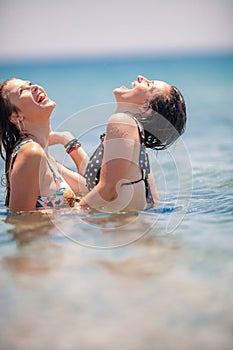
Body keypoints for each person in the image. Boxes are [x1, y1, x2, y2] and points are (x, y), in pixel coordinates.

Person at [77, 75, 186, 211]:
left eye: (148, 84)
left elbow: (109, 190)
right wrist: (67, 143)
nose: (140, 77)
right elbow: (154, 201)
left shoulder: (122, 121)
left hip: (121, 229)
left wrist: (73, 213)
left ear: (147, 108)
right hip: (133, 227)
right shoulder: (138, 140)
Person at [0, 78, 89, 212]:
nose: (34, 87)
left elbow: (91, 186)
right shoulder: (31, 153)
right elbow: (20, 221)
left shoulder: (44, 157)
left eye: (30, 84)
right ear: (16, 116)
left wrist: (66, 139)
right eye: (22, 91)